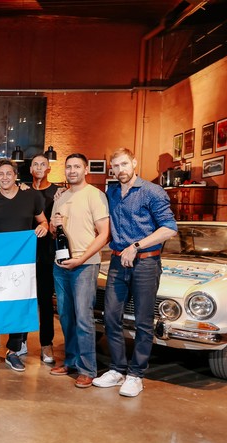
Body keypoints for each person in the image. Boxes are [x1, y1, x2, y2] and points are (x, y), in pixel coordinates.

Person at [92, 147, 177, 397]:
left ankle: (136, 374)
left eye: (124, 164)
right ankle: (117, 369)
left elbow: (169, 228)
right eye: (115, 166)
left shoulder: (152, 191)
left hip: (146, 263)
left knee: (142, 321)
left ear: (134, 163)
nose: (120, 170)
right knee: (110, 317)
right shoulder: (113, 192)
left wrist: (136, 246)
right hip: (118, 263)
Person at [0, 159, 49, 371]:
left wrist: (44, 227)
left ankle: (14, 351)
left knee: (18, 306)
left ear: (16, 175)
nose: (5, 177)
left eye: (9, 173)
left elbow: (43, 221)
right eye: (1, 174)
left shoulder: (31, 197)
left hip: (22, 264)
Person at [48, 153, 110, 388]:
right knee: (65, 316)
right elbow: (57, 232)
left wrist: (81, 258)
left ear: (85, 170)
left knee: (83, 317)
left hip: (85, 264)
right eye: (68, 167)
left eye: (77, 167)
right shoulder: (61, 197)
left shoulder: (95, 195)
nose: (72, 170)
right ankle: (71, 361)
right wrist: (54, 228)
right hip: (61, 264)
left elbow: (104, 233)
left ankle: (87, 368)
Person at [29, 154, 60, 365]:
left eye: (43, 164)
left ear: (48, 168)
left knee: (45, 302)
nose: (39, 167)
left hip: (47, 253)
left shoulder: (58, 192)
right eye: (35, 164)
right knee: (22, 299)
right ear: (30, 168)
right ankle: (19, 341)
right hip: (24, 253)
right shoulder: (22, 191)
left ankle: (46, 343)